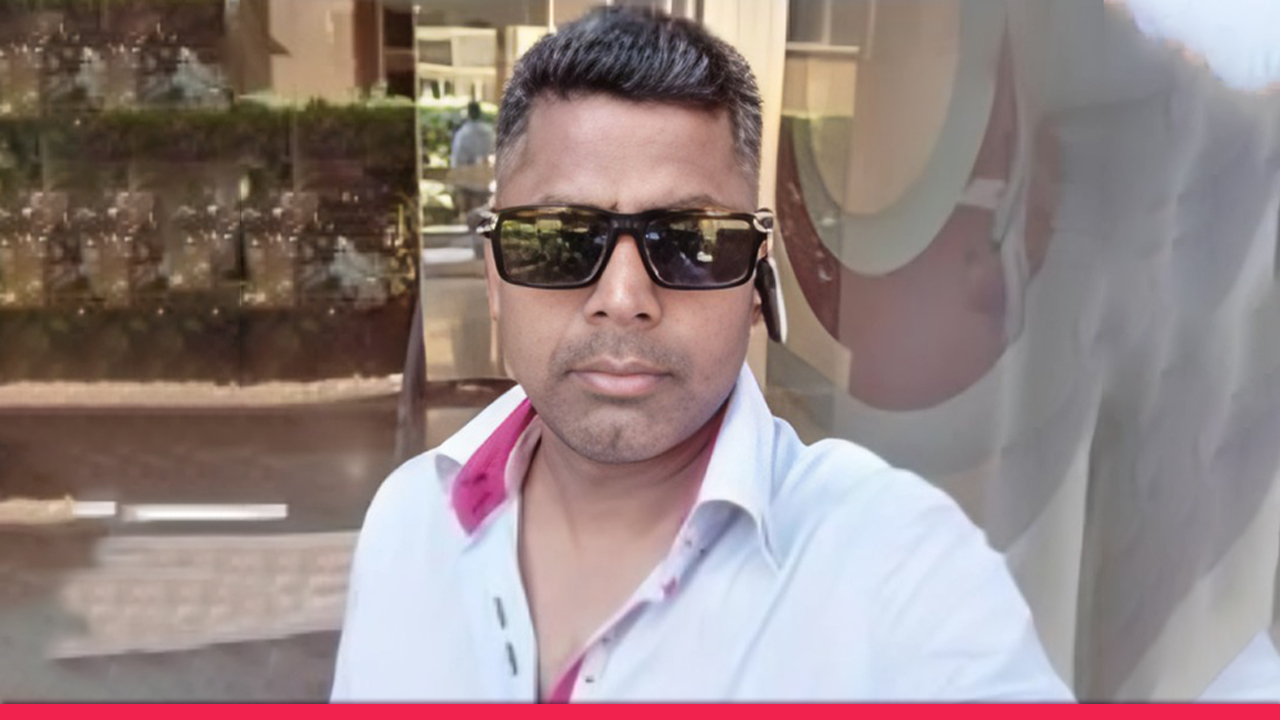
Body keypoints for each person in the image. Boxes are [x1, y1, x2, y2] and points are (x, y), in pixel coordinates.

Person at [332, 7, 1073, 702]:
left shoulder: (899, 571)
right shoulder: (408, 524)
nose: (624, 297)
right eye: (559, 240)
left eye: (692, 243)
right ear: (495, 277)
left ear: (755, 283)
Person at [449, 100, 496, 220]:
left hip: (468, 179)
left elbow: (457, 160)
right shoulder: (489, 132)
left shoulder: (462, 133)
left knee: (470, 213)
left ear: (468, 114)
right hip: (486, 178)